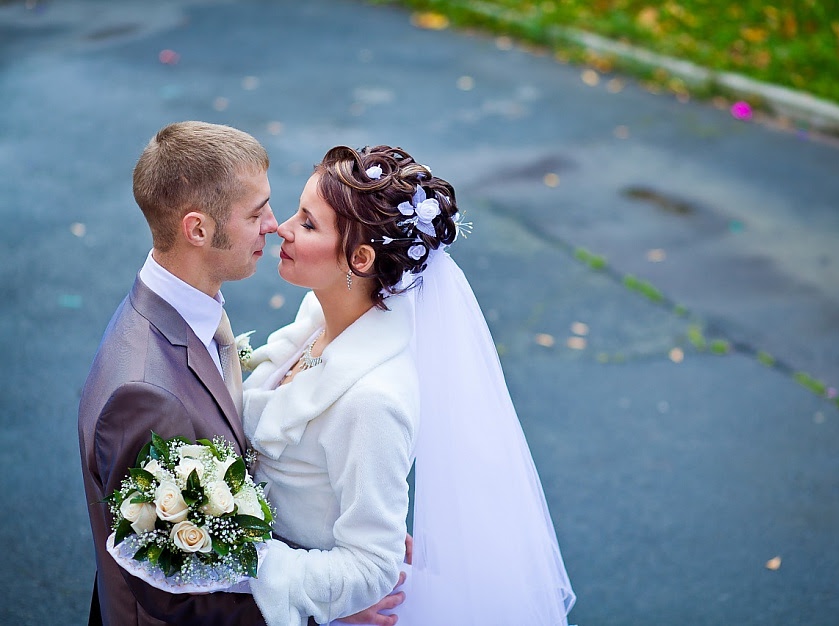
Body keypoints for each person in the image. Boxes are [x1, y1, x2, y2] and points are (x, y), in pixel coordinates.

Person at [78, 122, 405, 626]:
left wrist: (329, 516)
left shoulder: (196, 313)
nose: (275, 226)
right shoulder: (143, 391)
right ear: (198, 230)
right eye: (257, 213)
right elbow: (170, 585)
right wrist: (327, 609)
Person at [242, 145, 576, 625]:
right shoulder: (322, 320)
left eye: (308, 224)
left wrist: (238, 564)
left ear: (358, 258)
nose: (282, 228)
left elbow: (372, 568)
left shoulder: (372, 401)